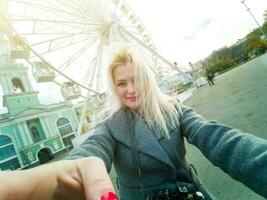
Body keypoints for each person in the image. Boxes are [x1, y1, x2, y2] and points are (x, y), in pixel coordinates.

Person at [0, 48, 267, 200]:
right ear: (114, 88)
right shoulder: (107, 125)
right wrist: (70, 170)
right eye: (122, 83)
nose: (131, 89)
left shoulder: (174, 109)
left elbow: (217, 139)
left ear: (148, 79)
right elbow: (92, 150)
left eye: (136, 79)